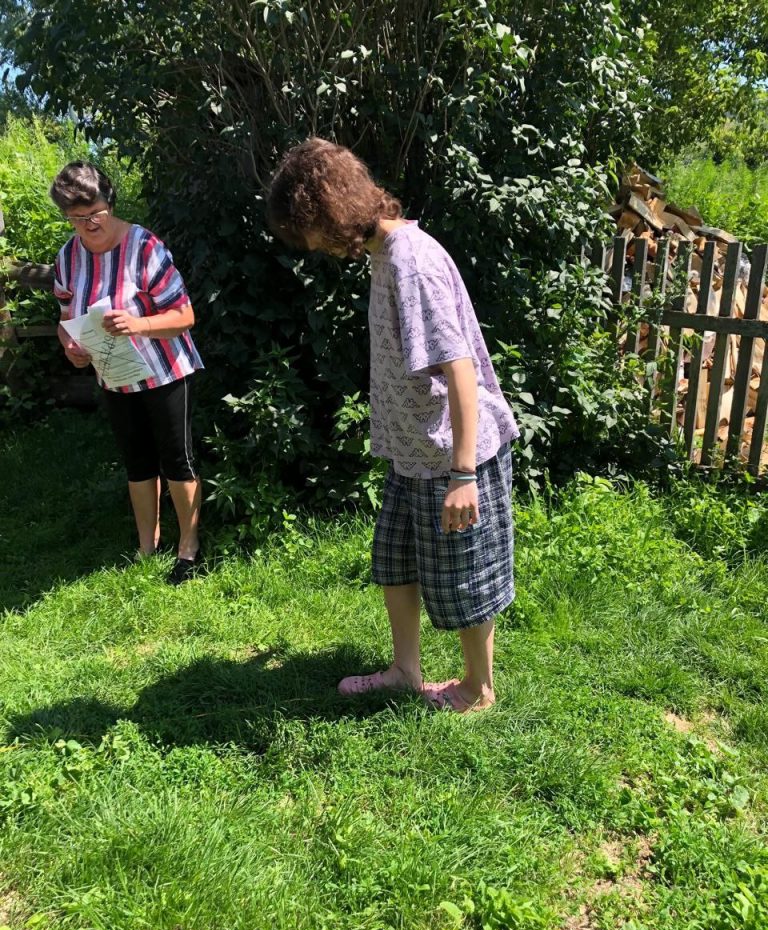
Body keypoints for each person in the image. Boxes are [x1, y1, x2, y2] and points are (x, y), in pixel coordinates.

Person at [266, 138, 519, 712]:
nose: (311, 245)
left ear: (328, 210)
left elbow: (459, 370)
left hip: (451, 454)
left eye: (307, 230)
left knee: (464, 577)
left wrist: (463, 476)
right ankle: (406, 671)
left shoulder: (411, 261)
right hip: (413, 451)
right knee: (395, 561)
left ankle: (478, 689)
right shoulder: (385, 253)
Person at [50, 161, 204, 585]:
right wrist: (70, 347)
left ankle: (188, 548)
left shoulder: (145, 247)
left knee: (177, 459)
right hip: (114, 375)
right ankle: (147, 546)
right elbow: (65, 318)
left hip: (165, 371)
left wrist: (138, 324)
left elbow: (185, 315)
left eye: (95, 213)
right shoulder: (67, 257)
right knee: (137, 462)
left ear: (110, 202)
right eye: (76, 218)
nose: (88, 224)